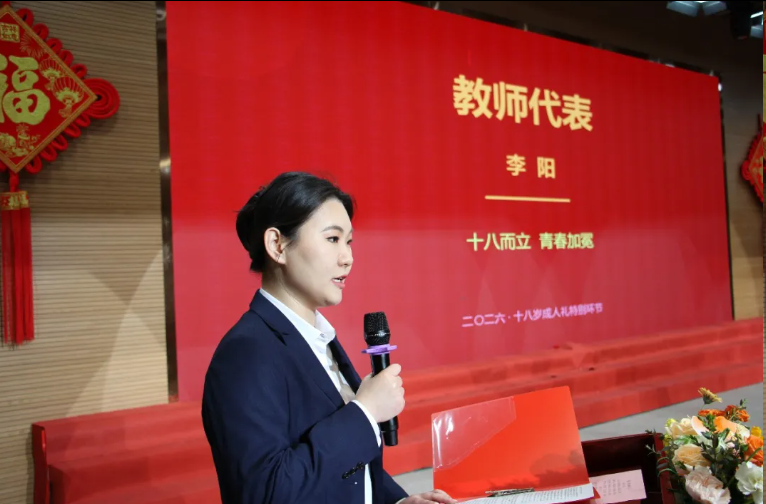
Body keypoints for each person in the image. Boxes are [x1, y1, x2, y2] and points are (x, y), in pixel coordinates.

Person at [201, 171, 456, 504]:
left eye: (349, 242)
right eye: (333, 239)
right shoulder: (246, 353)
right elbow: (265, 492)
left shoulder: (318, 338)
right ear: (277, 245)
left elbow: (348, 467)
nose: (348, 257)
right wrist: (365, 412)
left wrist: (395, 501)